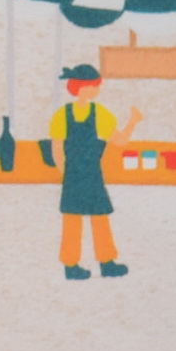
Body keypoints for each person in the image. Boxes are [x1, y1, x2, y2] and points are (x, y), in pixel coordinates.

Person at [48, 64, 140, 280]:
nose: (97, 90)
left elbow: (57, 151)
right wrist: (133, 121)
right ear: (83, 87)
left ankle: (83, 265)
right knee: (90, 217)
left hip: (79, 174)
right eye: (94, 86)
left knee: (84, 218)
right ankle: (96, 264)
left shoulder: (74, 114)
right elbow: (120, 141)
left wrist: (66, 173)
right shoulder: (91, 113)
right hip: (84, 173)